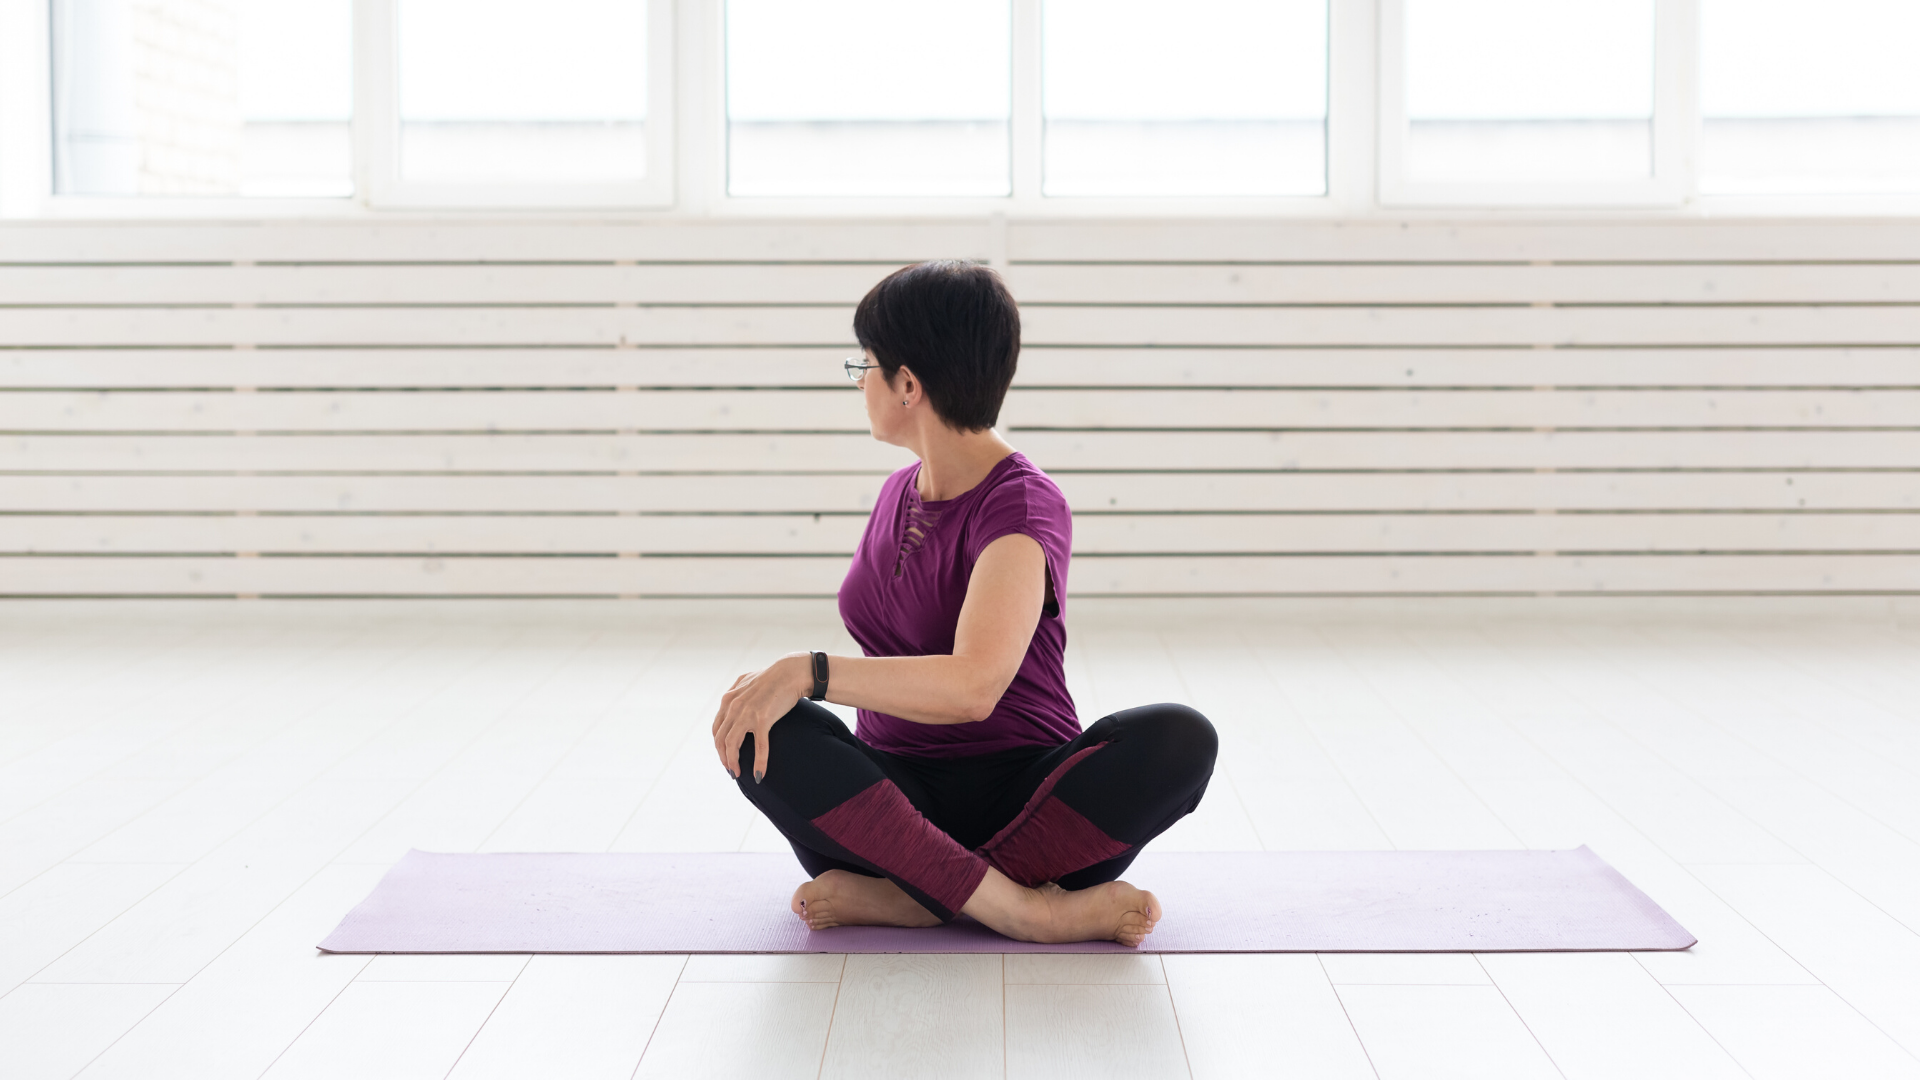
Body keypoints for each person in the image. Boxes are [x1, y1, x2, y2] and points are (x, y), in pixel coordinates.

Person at [710, 260, 1217, 947]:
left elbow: (973, 687)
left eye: (866, 365)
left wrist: (810, 670)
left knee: (1180, 739)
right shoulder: (896, 493)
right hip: (890, 809)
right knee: (755, 722)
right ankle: (1009, 900)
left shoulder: (1023, 505)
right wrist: (782, 689)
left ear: (908, 384)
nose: (860, 382)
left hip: (1033, 805)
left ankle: (937, 901)